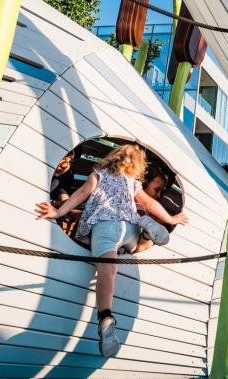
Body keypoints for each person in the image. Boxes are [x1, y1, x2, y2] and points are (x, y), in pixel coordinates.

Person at [36, 144, 189, 358]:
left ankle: (106, 316)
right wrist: (171, 219)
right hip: (129, 225)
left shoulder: (98, 175)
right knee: (137, 247)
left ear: (113, 158)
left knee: (107, 272)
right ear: (137, 166)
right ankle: (146, 231)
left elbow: (80, 194)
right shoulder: (133, 183)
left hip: (105, 226)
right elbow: (150, 202)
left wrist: (58, 211)